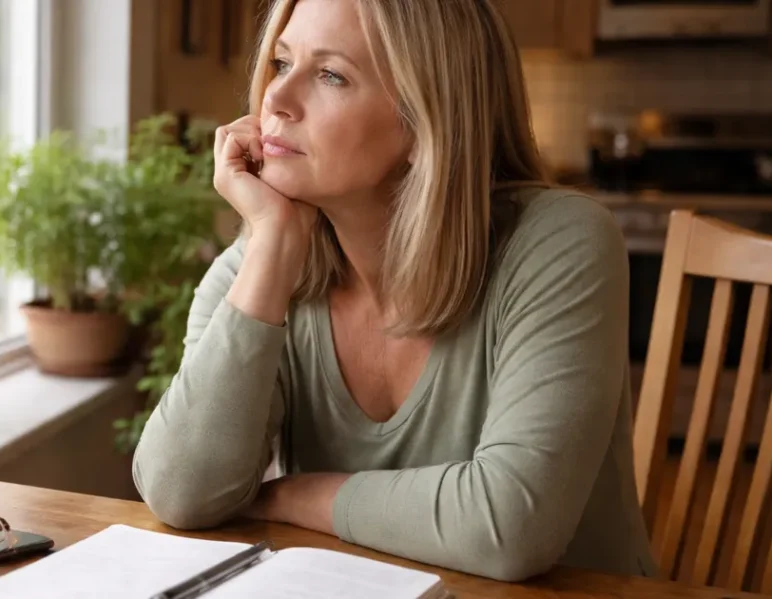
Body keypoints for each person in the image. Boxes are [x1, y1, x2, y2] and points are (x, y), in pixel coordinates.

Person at [131, 0, 658, 583]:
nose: (276, 100)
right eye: (281, 62)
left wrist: (287, 497)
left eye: (331, 75)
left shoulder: (558, 241)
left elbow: (509, 529)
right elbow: (180, 492)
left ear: (426, 117)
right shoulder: (260, 265)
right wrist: (272, 245)